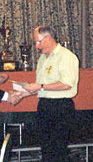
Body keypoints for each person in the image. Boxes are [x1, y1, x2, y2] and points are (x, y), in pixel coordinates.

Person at [20, 26, 79, 162]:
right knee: (46, 149)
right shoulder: (43, 59)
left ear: (48, 38)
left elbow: (66, 84)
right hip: (45, 106)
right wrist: (22, 94)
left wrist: (40, 86)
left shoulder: (66, 56)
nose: (36, 46)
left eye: (38, 42)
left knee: (58, 151)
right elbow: (42, 87)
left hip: (60, 107)